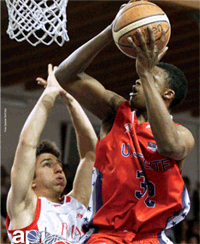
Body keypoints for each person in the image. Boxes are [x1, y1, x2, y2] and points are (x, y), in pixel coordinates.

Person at [52, 1, 195, 243]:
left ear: (167, 95)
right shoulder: (116, 112)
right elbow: (64, 76)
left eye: (146, 79)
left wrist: (146, 73)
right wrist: (112, 30)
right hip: (106, 235)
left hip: (151, 236)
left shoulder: (183, 135)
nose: (136, 81)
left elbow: (169, 146)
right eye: (138, 76)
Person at [6, 64, 97, 244]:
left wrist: (69, 99)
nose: (58, 168)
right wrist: (50, 93)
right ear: (30, 180)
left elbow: (91, 154)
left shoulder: (75, 205)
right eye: (47, 164)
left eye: (58, 163)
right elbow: (27, 144)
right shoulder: (25, 206)